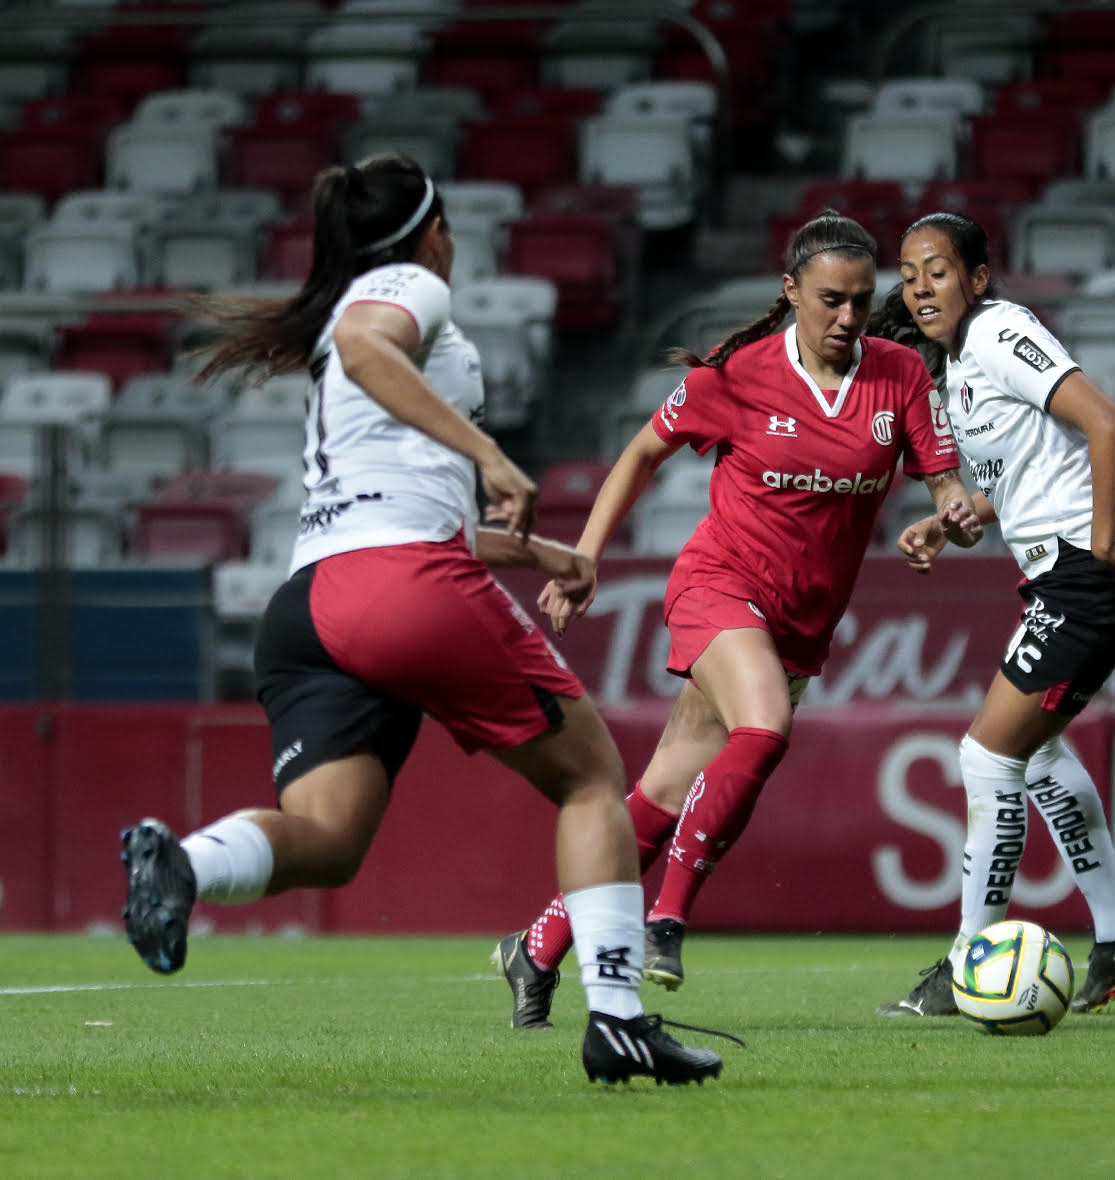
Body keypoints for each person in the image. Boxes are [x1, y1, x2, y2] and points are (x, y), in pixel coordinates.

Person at [117, 153, 731, 1086]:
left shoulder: (344, 326)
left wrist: (536, 553)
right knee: (592, 778)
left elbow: (388, 512)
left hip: (310, 606)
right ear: (432, 228)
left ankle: (186, 871)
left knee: (328, 841)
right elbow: (371, 348)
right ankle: (617, 1020)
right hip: (400, 585)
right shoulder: (397, 288)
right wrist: (491, 453)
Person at [489, 210, 980, 1028]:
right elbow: (643, 449)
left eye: (861, 302)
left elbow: (945, 481)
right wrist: (586, 555)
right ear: (790, 292)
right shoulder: (740, 374)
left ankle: (537, 945)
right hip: (719, 584)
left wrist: (953, 515)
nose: (848, 319)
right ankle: (668, 920)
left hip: (802, 619)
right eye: (830, 300)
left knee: (667, 792)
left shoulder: (900, 376)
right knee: (765, 726)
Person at [865, 211, 1115, 1016]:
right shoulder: (962, 364)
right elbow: (1026, 477)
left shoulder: (999, 333)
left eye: (938, 269)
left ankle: (968, 960)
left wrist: (1102, 541)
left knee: (985, 759)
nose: (920, 286)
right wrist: (953, 516)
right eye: (908, 272)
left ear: (977, 279)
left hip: (1087, 570)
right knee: (1030, 759)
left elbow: (1108, 424)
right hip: (1066, 570)